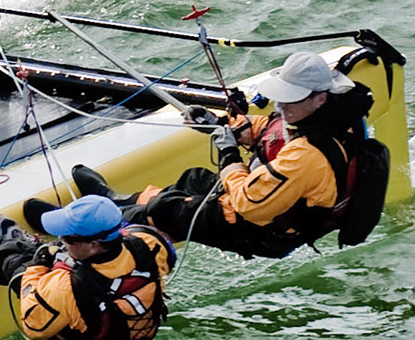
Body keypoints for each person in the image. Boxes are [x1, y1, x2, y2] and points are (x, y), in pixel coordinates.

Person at [83, 50, 381, 259]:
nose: (280, 105)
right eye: (281, 95)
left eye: (290, 99)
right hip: (266, 199)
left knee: (168, 208)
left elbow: (248, 204)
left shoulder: (308, 156)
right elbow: (271, 131)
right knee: (196, 179)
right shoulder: (324, 116)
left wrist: (228, 155)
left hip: (263, 230)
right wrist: (222, 125)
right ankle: (117, 201)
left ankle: (95, 229)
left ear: (320, 98)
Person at [0, 195, 175, 340]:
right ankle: (21, 245)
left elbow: (33, 326)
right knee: (57, 257)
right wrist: (63, 254)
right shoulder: (147, 241)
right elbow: (169, 258)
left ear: (94, 245)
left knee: (23, 268)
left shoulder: (64, 288)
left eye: (68, 238)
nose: (62, 240)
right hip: (138, 329)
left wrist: (40, 263)